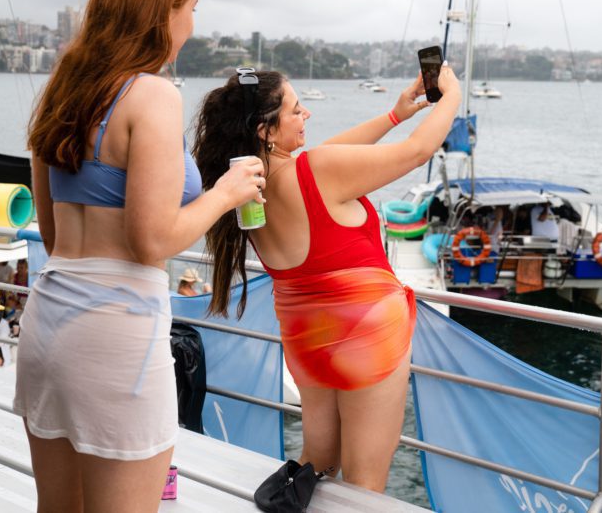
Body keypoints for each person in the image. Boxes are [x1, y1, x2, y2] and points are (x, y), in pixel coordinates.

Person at [13, 0, 264, 513]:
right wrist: (226, 194)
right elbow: (150, 242)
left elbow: (52, 238)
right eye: (191, 7)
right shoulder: (151, 95)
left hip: (50, 322)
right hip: (117, 336)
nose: (194, 25)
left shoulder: (62, 92)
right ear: (162, 12)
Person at [193, 64, 460, 492]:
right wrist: (451, 98)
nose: (307, 116)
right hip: (367, 335)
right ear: (265, 130)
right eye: (297, 111)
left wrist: (395, 115)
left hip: (306, 338)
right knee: (365, 483)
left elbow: (331, 154)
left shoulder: (250, 190)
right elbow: (417, 152)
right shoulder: (316, 171)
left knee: (317, 465)